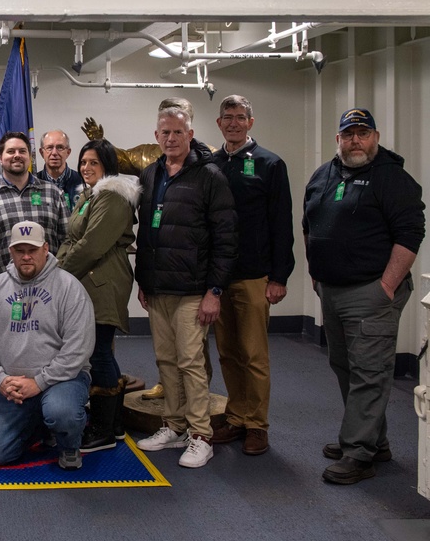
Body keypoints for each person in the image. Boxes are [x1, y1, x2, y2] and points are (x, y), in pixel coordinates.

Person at [304, 108, 425, 485]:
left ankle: (358, 453)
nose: (355, 140)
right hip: (332, 289)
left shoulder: (392, 177)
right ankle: (375, 440)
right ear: (337, 139)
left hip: (370, 289)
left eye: (363, 133)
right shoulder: (325, 173)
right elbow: (309, 223)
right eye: (348, 134)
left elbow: (410, 234)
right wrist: (315, 273)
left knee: (369, 372)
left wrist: (387, 285)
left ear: (375, 137)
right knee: (345, 366)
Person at [134, 100, 237, 469]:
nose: (172, 138)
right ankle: (174, 426)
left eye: (179, 132)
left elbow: (226, 239)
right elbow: (146, 232)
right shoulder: (150, 175)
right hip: (158, 288)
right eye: (166, 132)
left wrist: (215, 290)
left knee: (191, 362)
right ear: (156, 136)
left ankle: (200, 435)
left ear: (191, 135)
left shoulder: (210, 177)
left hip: (195, 290)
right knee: (166, 360)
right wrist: (144, 281)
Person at [209, 95, 295, 456]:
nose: (233, 123)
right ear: (219, 123)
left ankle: (257, 424)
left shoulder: (269, 165)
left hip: (254, 275)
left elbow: (281, 223)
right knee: (228, 352)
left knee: (254, 354)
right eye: (227, 117)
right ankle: (236, 415)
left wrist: (279, 276)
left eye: (240, 117)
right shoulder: (211, 165)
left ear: (251, 122)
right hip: (219, 277)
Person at [0, 221, 95, 471]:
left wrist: (39, 383)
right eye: (20, 250)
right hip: (14, 385)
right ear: (10, 252)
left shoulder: (69, 287)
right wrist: (0, 380)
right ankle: (42, 425)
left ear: (46, 249)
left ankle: (69, 444)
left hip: (62, 380)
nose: (26, 256)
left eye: (33, 250)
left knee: (62, 412)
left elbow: (78, 348)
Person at [55, 139, 140, 453]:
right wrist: (58, 265)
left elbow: (91, 245)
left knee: (99, 352)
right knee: (100, 352)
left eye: (94, 163)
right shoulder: (89, 195)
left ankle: (103, 430)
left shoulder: (113, 195)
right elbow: (71, 238)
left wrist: (58, 274)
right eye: (83, 162)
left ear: (108, 166)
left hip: (103, 282)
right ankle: (114, 426)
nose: (86, 168)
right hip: (89, 279)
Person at [0, 131, 68, 289]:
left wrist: (59, 281)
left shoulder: (54, 193)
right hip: (6, 292)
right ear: (0, 158)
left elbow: (66, 241)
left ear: (30, 156)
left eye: (22, 151)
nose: (17, 155)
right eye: (10, 151)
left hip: (51, 288)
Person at [37, 130, 84, 211]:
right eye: (49, 148)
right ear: (42, 152)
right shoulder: (33, 183)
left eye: (60, 147)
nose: (54, 153)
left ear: (68, 152)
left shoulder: (82, 182)